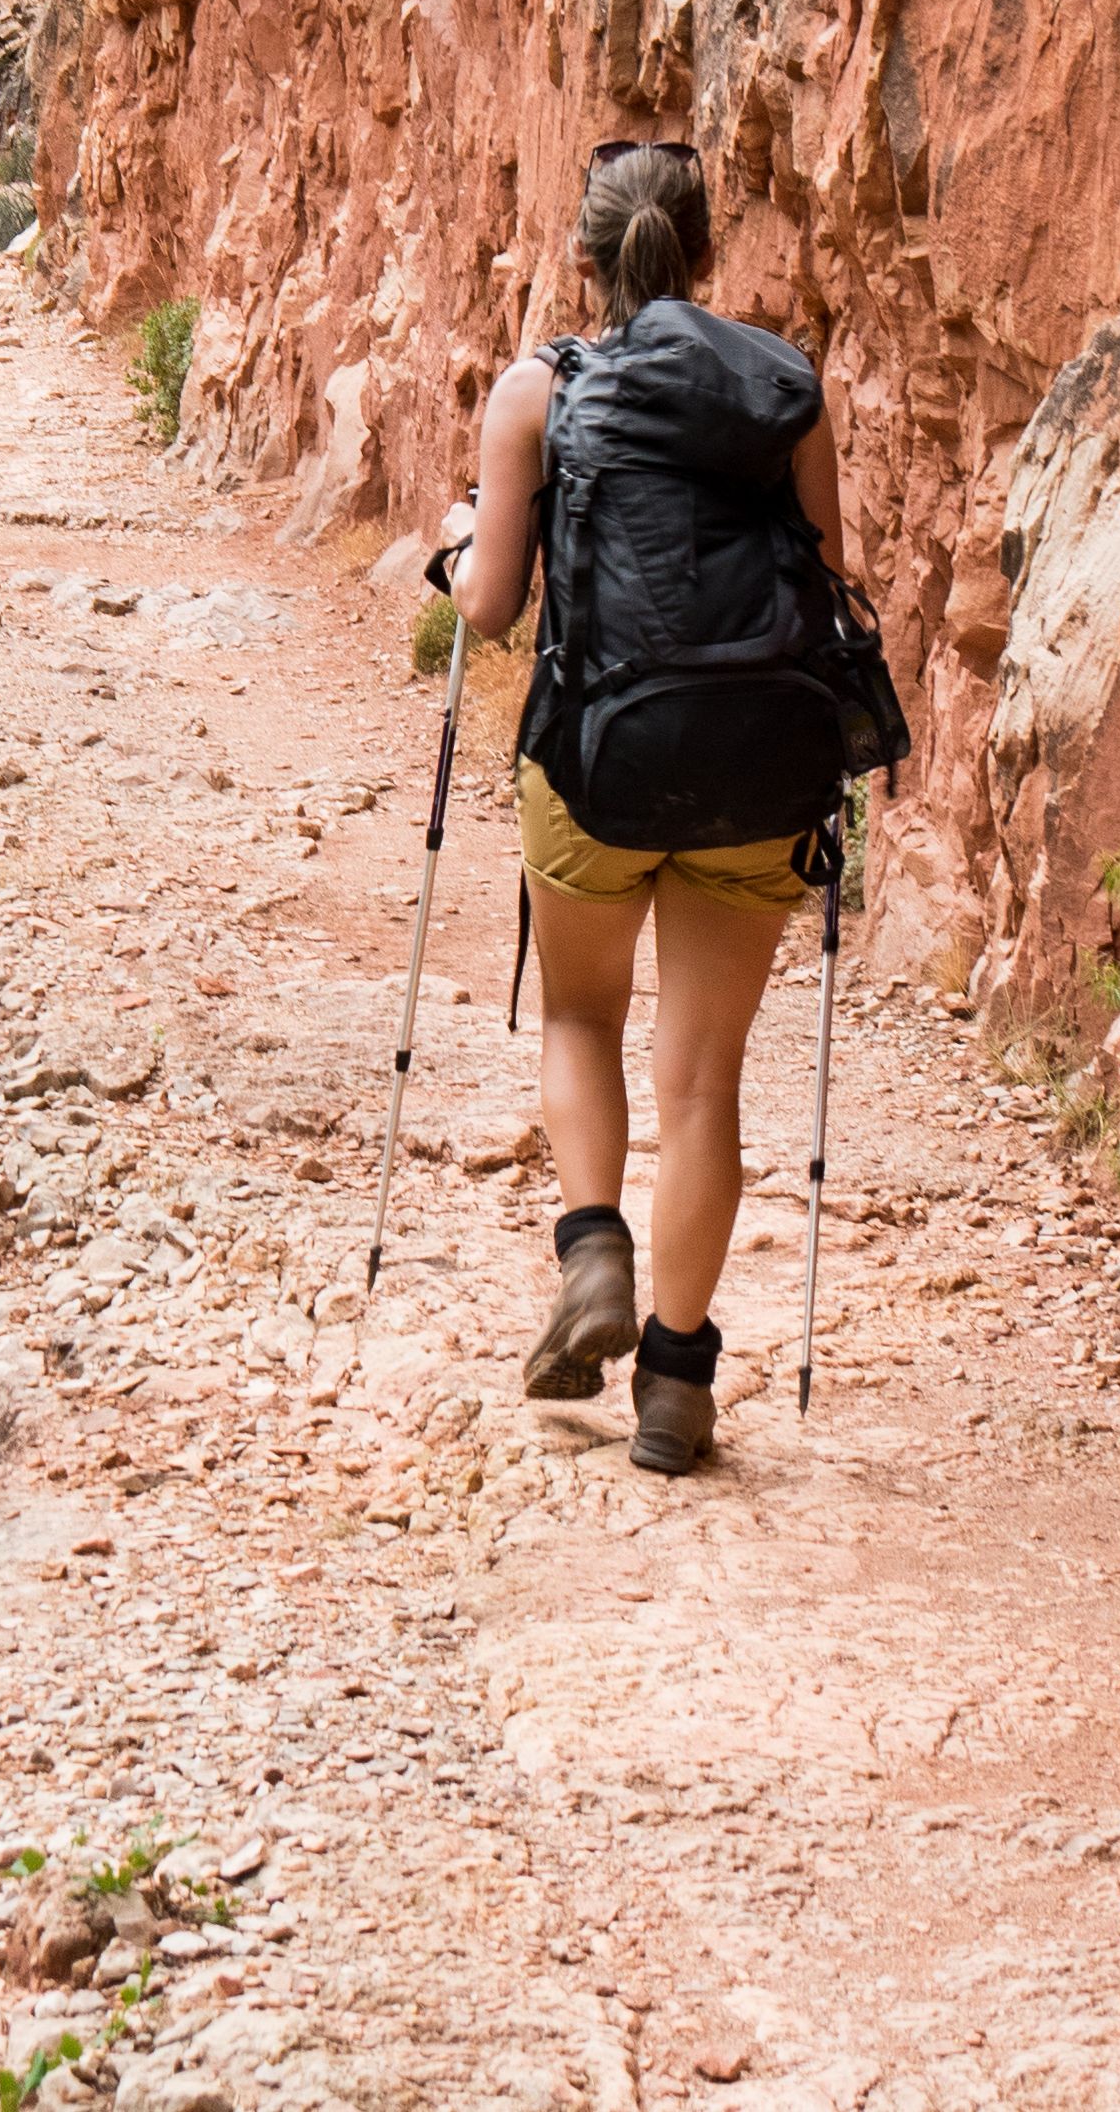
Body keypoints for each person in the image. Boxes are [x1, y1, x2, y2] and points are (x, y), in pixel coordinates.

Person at [448, 141, 851, 1477]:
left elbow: (493, 608)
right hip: (756, 768)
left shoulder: (536, 393)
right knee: (705, 1076)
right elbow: (828, 583)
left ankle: (593, 1252)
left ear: (585, 259)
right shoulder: (783, 389)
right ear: (705, 251)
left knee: (578, 1010)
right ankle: (677, 1383)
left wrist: (461, 555)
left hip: (598, 770)